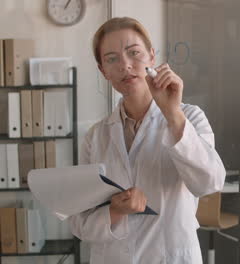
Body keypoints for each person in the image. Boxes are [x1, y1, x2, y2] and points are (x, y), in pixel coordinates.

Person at [68, 17, 226, 264]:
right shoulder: (96, 136)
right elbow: (80, 223)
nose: (125, 65)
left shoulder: (190, 117)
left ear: (152, 57)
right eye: (111, 59)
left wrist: (173, 115)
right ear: (103, 71)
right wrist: (115, 212)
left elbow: (210, 183)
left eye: (134, 53)